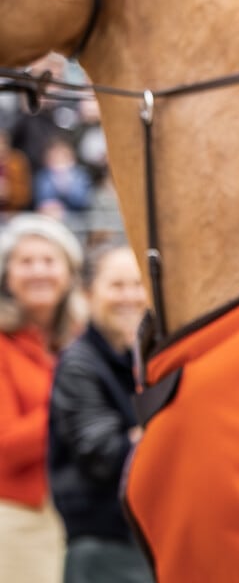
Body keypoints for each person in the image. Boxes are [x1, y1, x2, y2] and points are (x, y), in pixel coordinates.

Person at [48, 245, 151, 583]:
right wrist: (162, 430)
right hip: (104, 543)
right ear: (88, 293)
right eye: (117, 286)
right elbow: (104, 455)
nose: (130, 297)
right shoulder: (79, 364)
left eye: (137, 285)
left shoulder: (145, 358)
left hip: (143, 537)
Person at [0, 213, 85, 583]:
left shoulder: (83, 343)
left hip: (81, 515)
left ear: (68, 273)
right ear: (7, 276)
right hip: (19, 515)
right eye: (26, 261)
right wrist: (72, 404)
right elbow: (5, 446)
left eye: (49, 261)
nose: (39, 271)